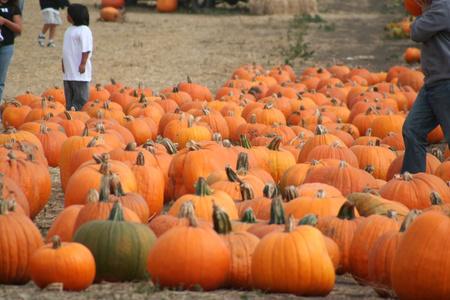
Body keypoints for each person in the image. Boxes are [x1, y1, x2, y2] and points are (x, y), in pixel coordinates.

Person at [401, 0, 450, 174]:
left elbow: (416, 32)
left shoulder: (442, 6)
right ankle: (411, 182)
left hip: (445, 82)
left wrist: (423, 10)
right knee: (412, 129)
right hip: (433, 83)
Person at [62, 3, 92, 111]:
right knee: (69, 102)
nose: (67, 16)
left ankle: (80, 120)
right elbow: (66, 49)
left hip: (80, 76)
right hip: (69, 75)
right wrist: (63, 63)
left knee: (80, 102)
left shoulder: (84, 30)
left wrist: (83, 63)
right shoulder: (69, 30)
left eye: (68, 14)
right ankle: (70, 118)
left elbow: (86, 49)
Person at [0, 0, 22, 105]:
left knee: (0, 80)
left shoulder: (12, 7)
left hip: (6, 46)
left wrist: (5, 21)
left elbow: (19, 29)